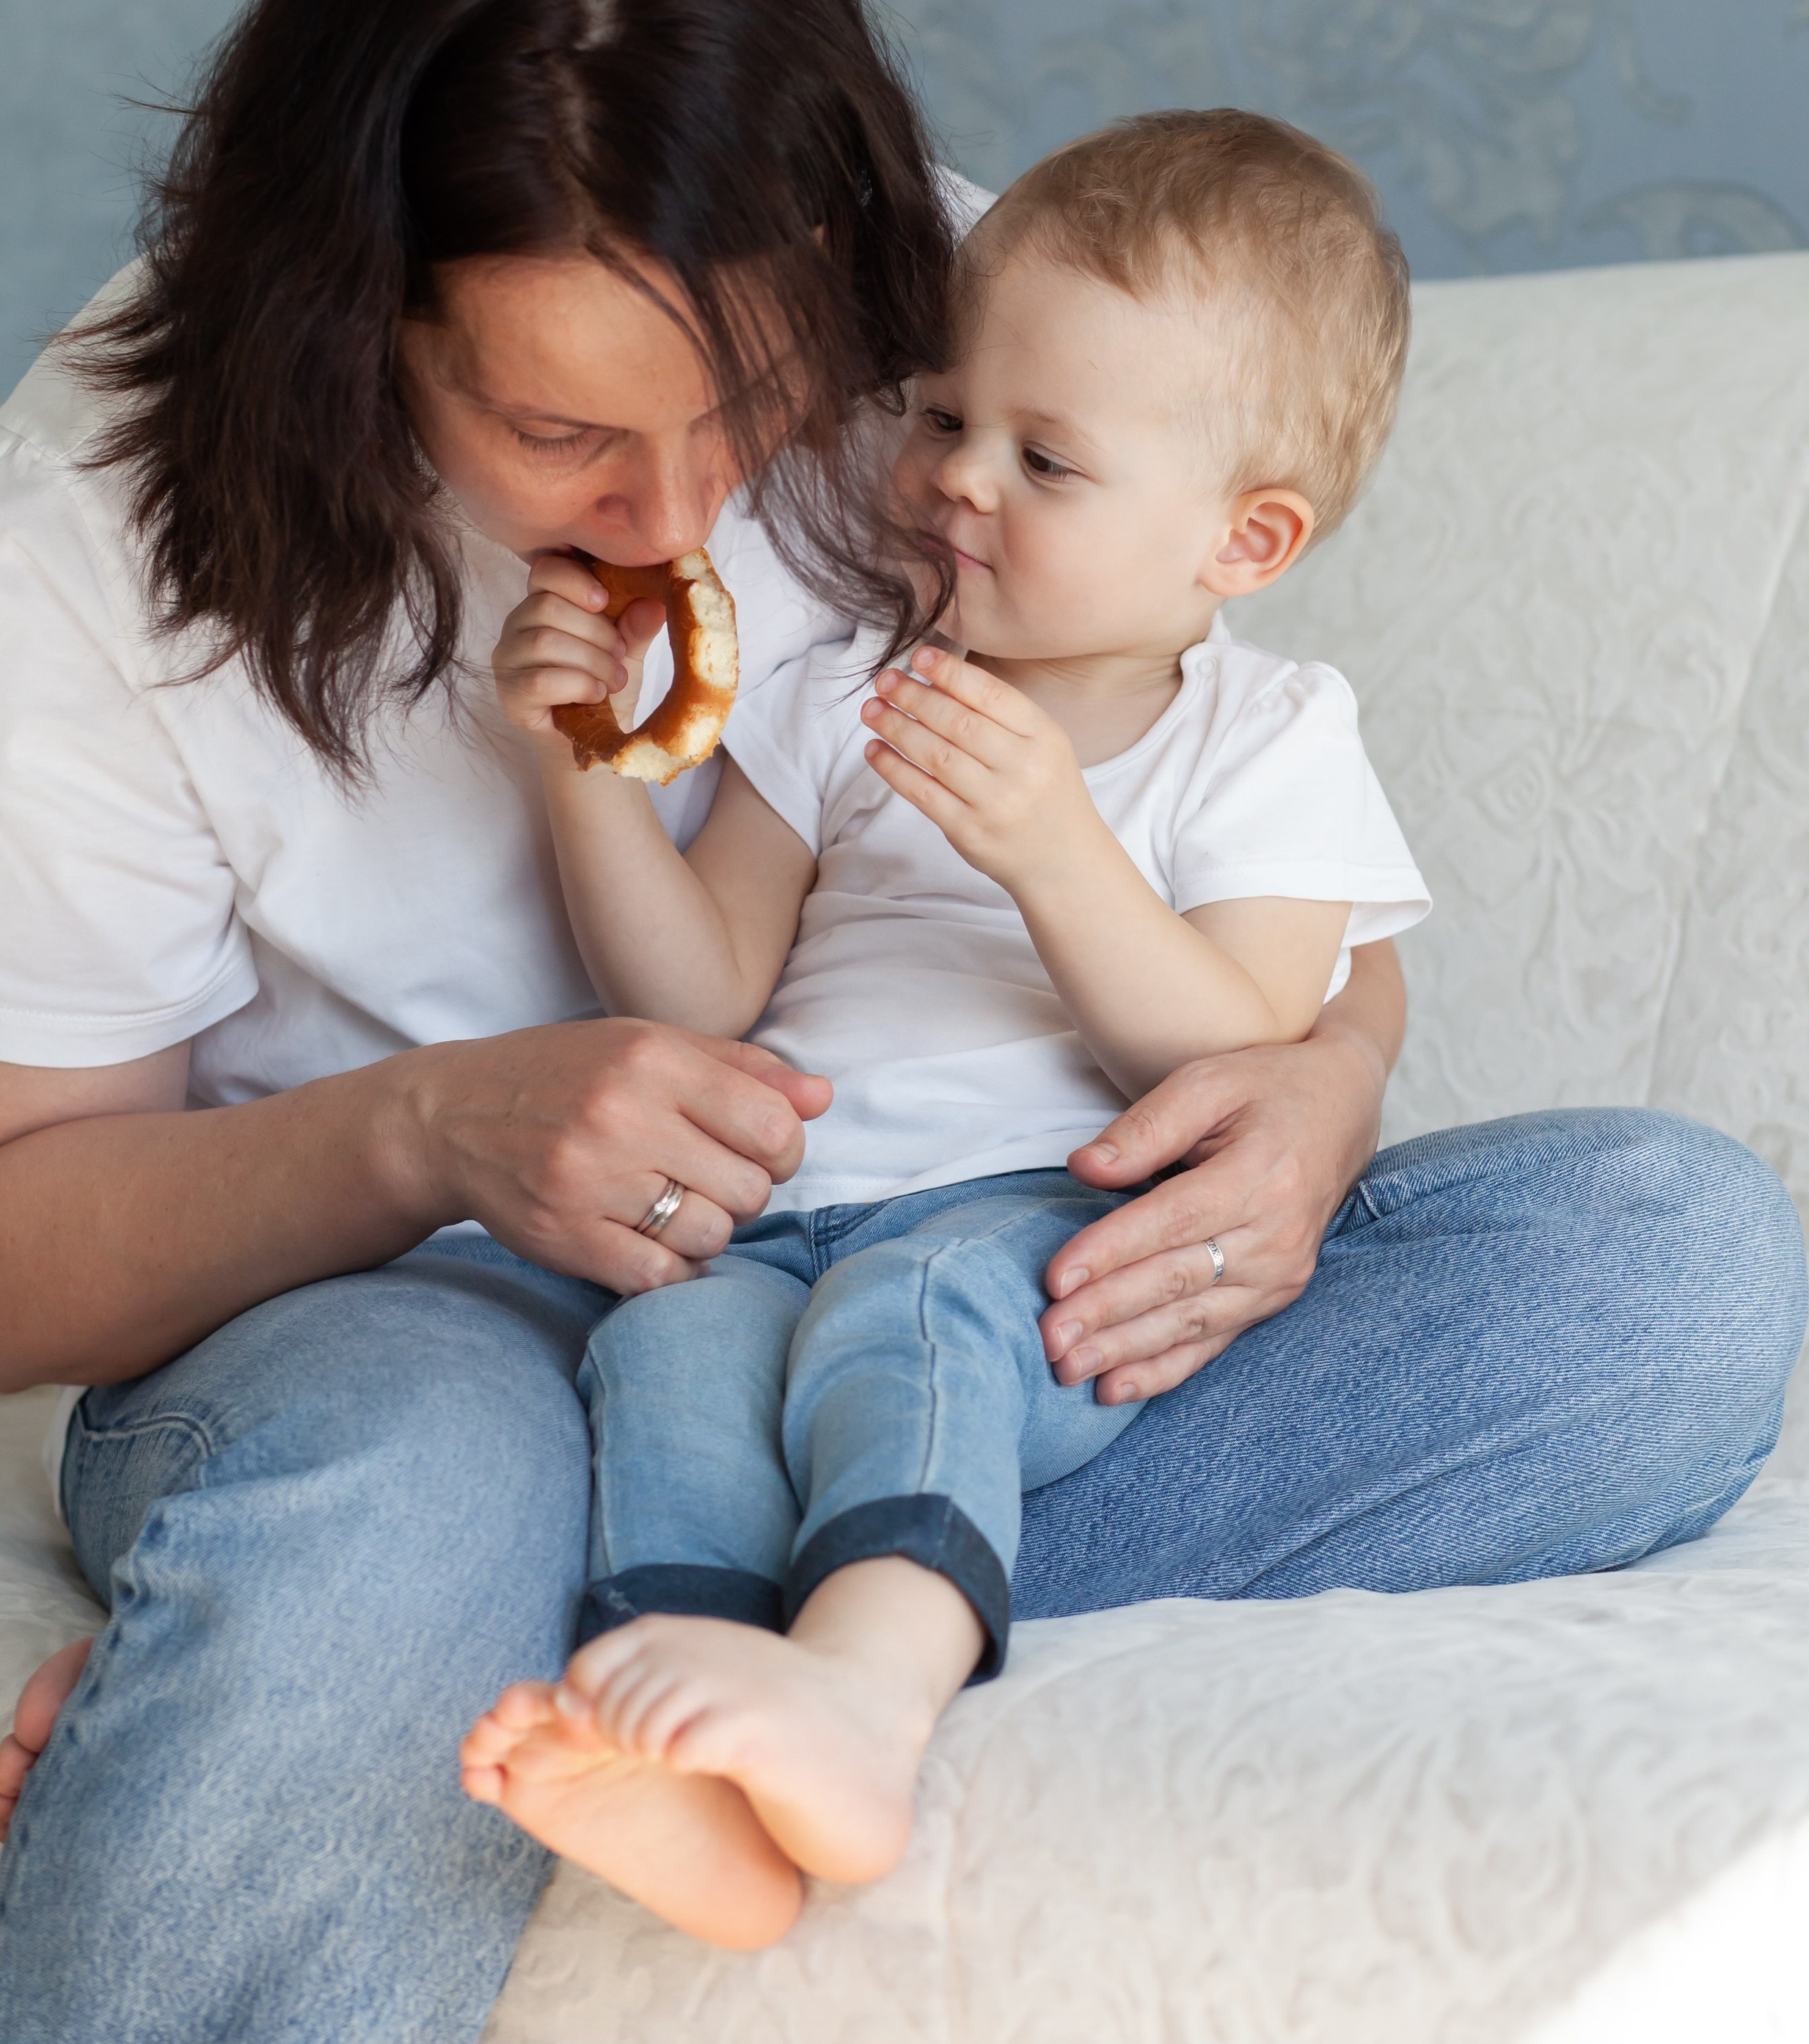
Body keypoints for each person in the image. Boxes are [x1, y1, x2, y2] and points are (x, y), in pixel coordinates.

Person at [0, 0, 1805, 2044]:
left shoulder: (980, 352)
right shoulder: (90, 540)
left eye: (758, 406)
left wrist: (1312, 1102)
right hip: (413, 1327)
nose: (683, 513)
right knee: (410, 1485)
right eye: (561, 428)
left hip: (955, 1273)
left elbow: (1264, 867)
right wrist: (431, 1136)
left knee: (1659, 1259)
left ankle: (502, 1651)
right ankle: (400, 1606)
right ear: (344, 316)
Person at [462, 114, 1432, 1946]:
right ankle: (689, 1756)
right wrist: (584, 768)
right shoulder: (849, 688)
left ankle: (862, 1694)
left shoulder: (1268, 736)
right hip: (778, 1213)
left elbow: (1232, 1054)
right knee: (665, 1357)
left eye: (1044, 458)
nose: (955, 481)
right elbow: (698, 990)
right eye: (938, 417)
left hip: (1029, 1222)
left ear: (1246, 536)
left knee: (909, 1318)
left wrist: (1060, 851)